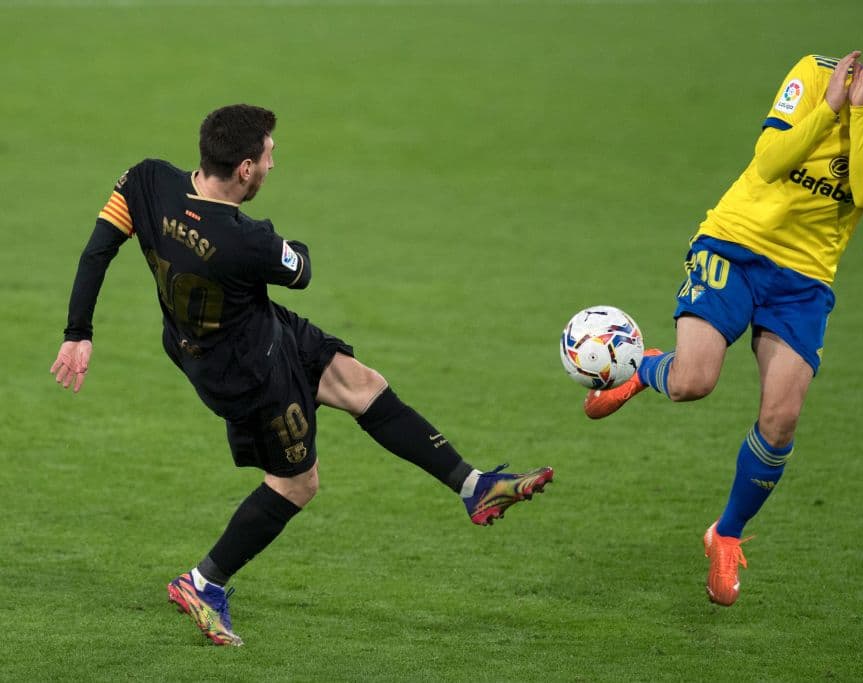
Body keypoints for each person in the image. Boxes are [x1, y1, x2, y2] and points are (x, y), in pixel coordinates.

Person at [50, 104, 554, 646]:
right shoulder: (248, 241)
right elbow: (302, 269)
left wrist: (79, 330)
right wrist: (288, 247)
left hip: (244, 333)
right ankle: (203, 582)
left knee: (362, 384)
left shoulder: (148, 180)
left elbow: (97, 250)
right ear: (244, 168)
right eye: (268, 156)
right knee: (297, 483)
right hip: (248, 376)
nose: (272, 165)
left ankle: (473, 487)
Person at [583, 19, 863, 606]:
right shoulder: (814, 75)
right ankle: (647, 369)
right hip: (734, 245)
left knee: (781, 420)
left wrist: (860, 113)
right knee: (693, 383)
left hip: (806, 281)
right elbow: (768, 161)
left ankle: (726, 534)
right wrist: (831, 108)